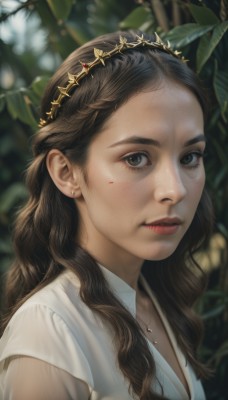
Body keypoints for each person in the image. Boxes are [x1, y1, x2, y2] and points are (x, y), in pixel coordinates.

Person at [0, 30, 213, 400]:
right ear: (66, 173)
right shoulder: (50, 336)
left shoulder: (154, 296)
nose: (175, 189)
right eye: (136, 158)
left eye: (190, 157)